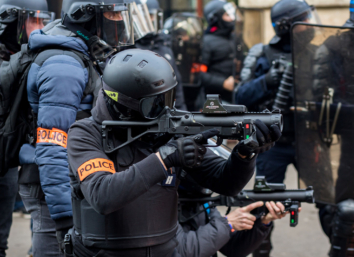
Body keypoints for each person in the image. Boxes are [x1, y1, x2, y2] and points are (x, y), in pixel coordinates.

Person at [66, 48, 282, 257]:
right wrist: (164, 158)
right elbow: (103, 195)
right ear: (123, 106)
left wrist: (244, 154)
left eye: (169, 98)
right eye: (156, 103)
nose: (167, 109)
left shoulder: (168, 131)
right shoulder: (85, 133)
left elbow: (227, 184)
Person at [16, 0, 135, 256]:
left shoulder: (82, 53)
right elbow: (52, 145)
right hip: (54, 187)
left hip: (68, 180)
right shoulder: (64, 67)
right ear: (86, 16)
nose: (119, 20)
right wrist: (64, 220)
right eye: (112, 13)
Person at [233, 0, 320, 256]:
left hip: (311, 142)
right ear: (287, 26)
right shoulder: (262, 54)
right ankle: (260, 249)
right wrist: (267, 81)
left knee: (330, 205)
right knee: (264, 205)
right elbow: (241, 95)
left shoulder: (319, 52)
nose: (310, 24)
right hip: (274, 145)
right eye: (304, 19)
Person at [295, 1, 354, 255]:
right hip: (352, 147)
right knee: (348, 213)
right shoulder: (335, 46)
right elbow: (321, 102)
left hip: (351, 146)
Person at [0, 1, 54, 256]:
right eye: (33, 20)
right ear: (11, 20)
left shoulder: (28, 56)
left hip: (7, 159)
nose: (40, 27)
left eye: (42, 20)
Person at [133, 0, 187, 110]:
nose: (149, 20)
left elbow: (176, 81)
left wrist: (181, 110)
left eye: (152, 16)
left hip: (168, 109)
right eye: (145, 16)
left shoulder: (164, 44)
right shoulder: (129, 48)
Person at [200, 0, 240, 103]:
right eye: (227, 15)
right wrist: (222, 83)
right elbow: (199, 73)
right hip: (215, 100)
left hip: (237, 95)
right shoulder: (206, 42)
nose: (232, 18)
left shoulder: (235, 37)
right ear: (215, 18)